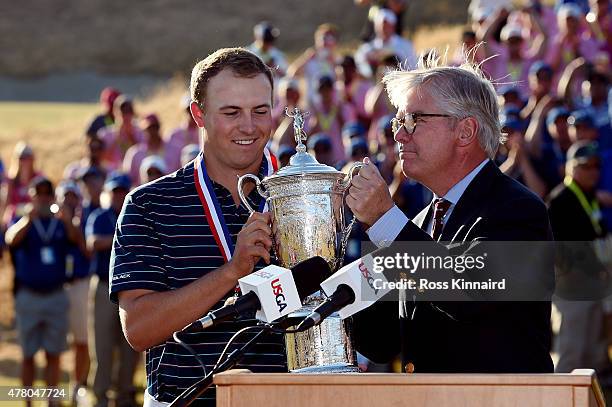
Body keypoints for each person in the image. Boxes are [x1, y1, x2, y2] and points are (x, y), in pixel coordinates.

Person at [348, 57, 554, 373]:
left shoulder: (517, 209)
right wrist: (332, 251)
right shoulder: (416, 223)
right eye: (398, 122)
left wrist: (384, 219)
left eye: (414, 119)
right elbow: (379, 342)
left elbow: (468, 291)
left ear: (465, 131)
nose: (400, 135)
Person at [110, 48, 283, 406]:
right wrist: (232, 272)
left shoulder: (307, 197)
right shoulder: (148, 204)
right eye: (231, 112)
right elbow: (139, 329)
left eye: (260, 111)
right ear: (198, 114)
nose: (249, 126)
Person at [5, 176, 80, 407]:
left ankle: (52, 402)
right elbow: (10, 240)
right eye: (39, 195)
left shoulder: (59, 222)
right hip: (29, 296)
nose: (44, 199)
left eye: (48, 195)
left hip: (55, 295)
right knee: (28, 355)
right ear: (32, 196)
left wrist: (67, 220)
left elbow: (77, 240)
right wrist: (28, 220)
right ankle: (27, 402)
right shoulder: (24, 220)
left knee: (53, 354)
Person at [86, 173, 139, 407]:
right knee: (103, 346)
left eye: (122, 191)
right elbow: (93, 243)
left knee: (131, 346)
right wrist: (120, 239)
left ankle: (125, 394)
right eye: (114, 192)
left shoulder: (135, 214)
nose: (118, 196)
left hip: (131, 287)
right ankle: (101, 396)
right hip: (104, 286)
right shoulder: (100, 216)